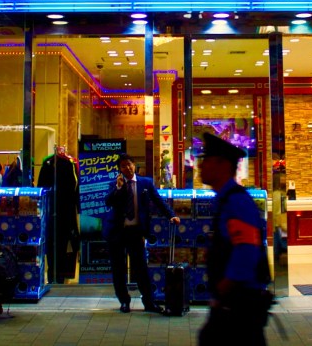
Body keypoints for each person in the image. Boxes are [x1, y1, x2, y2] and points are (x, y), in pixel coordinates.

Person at [198, 133, 271, 346]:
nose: (201, 167)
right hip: (232, 301)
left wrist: (226, 285)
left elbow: (247, 249)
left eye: (206, 161)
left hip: (240, 302)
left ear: (223, 165)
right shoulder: (224, 199)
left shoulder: (236, 201)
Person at [105, 153, 180, 314]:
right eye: (124, 165)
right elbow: (109, 202)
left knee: (141, 269)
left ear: (134, 165)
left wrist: (171, 215)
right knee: (118, 269)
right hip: (117, 233)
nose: (128, 168)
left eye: (129, 164)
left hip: (135, 232)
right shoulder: (115, 184)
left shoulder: (146, 183)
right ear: (120, 169)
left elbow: (158, 201)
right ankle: (124, 301)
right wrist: (119, 188)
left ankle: (149, 302)